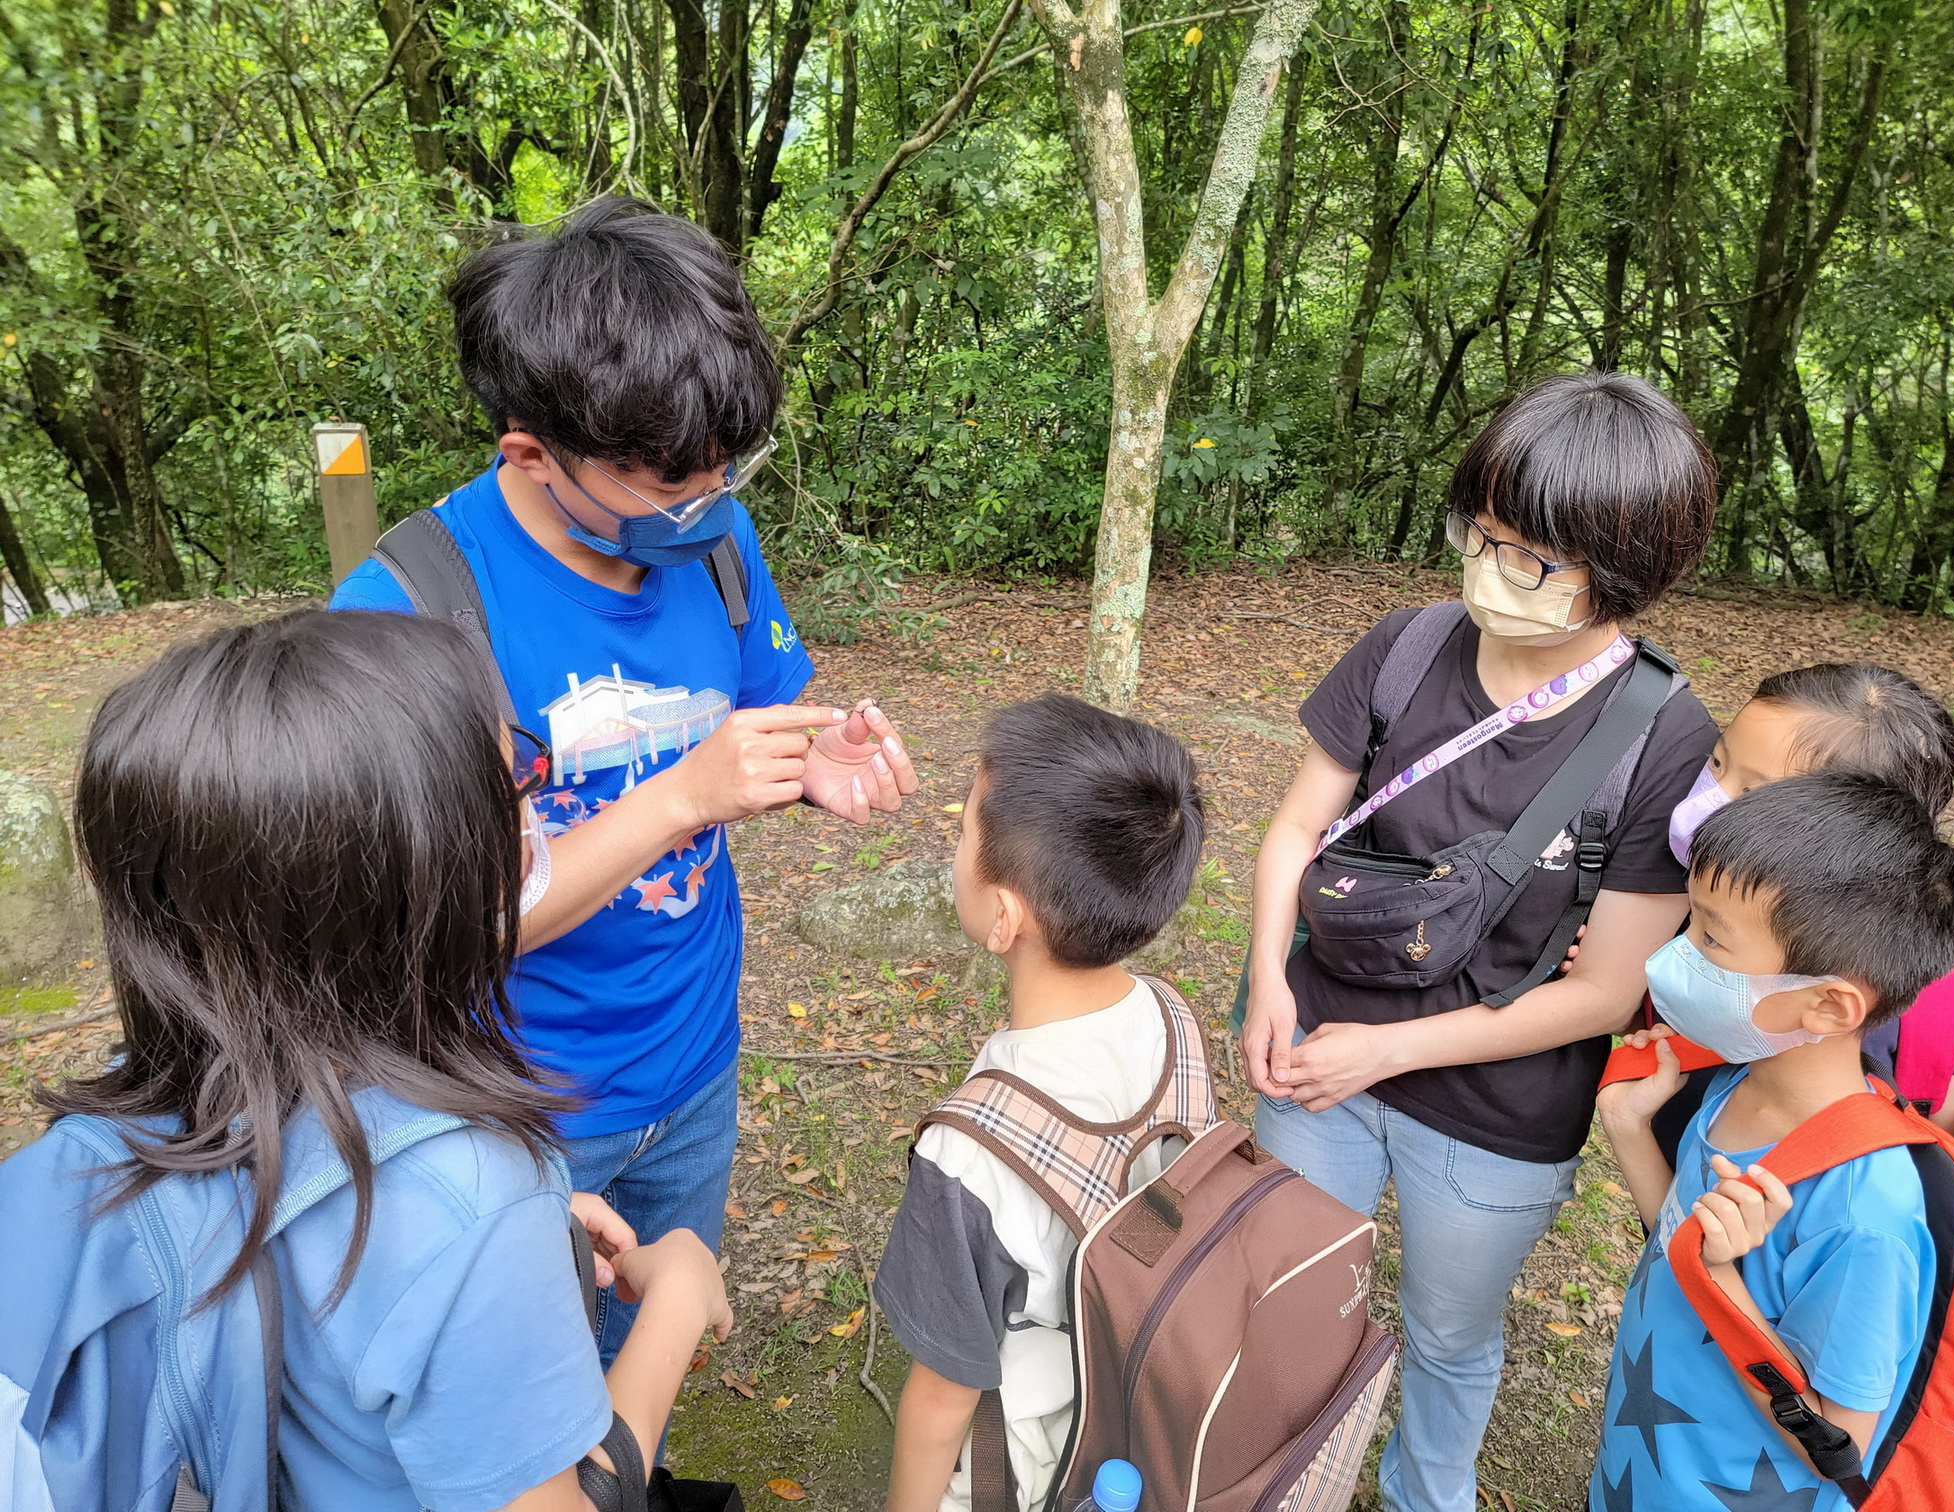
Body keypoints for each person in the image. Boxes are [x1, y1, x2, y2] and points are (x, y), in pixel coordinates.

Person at [329, 197, 918, 1359]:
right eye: (667, 485)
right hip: (514, 1114)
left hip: (695, 1061)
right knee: (529, 1410)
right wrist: (682, 798)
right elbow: (453, 925)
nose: (705, 507)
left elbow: (745, 720)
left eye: (722, 473)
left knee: (650, 1348)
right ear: (531, 455)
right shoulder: (410, 616)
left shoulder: (711, 538)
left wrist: (814, 764)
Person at [0, 611, 733, 1509]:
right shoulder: (472, 1201)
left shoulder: (138, 1114)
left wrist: (481, 1238)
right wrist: (676, 1305)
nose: (542, 809)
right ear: (427, 869)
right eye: (519, 786)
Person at [1241, 371, 1721, 1512]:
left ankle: (1424, 1492)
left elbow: (1607, 992)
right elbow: (1297, 827)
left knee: (1449, 1334)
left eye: (1531, 556)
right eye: (1482, 533)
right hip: (1315, 1056)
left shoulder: (1664, 736)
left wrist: (1386, 1054)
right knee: (1293, 1301)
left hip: (1499, 1116)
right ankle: (1283, 1482)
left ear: (1625, 569)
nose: (1489, 570)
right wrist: (1267, 978)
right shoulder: (1406, 649)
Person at [1591, 774, 1954, 1509]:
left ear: (1829, 1006)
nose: (1681, 950)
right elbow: (1679, 1242)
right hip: (1639, 1470)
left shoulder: (1869, 1214)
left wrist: (1726, 1278)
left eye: (1712, 937)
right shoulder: (1741, 1080)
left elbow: (1839, 1444)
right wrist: (1629, 1129)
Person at [874, 694, 1207, 1512]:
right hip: (1149, 1436)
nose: (954, 848)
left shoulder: (967, 1153)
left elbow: (943, 1395)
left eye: (963, 832)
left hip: (1021, 1480)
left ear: (1003, 917)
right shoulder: (1173, 1017)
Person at [1650, 662, 1954, 1137]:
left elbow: (1937, 1122)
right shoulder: (1709, 901)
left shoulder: (1930, 998)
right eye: (1717, 762)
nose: (1707, 802)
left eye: (1754, 794)